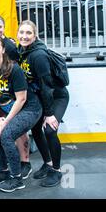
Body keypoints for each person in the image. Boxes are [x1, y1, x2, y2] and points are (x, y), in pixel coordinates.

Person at [0, 37, 41, 192]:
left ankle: (17, 178)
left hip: (29, 109)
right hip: (9, 111)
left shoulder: (14, 69)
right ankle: (3, 172)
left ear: (2, 50)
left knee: (6, 135)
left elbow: (22, 99)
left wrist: (5, 122)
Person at [17, 20, 70, 187]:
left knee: (49, 130)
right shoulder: (22, 50)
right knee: (36, 129)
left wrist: (49, 114)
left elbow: (47, 87)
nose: (24, 36)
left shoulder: (38, 55)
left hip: (57, 96)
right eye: (22, 33)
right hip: (42, 96)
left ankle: (57, 170)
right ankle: (47, 164)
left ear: (35, 35)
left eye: (28, 33)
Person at [0, 15, 31, 178]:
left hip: (14, 95)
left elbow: (18, 71)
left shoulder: (11, 46)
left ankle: (24, 162)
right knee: (1, 131)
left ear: (4, 28)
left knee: (18, 131)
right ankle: (5, 163)